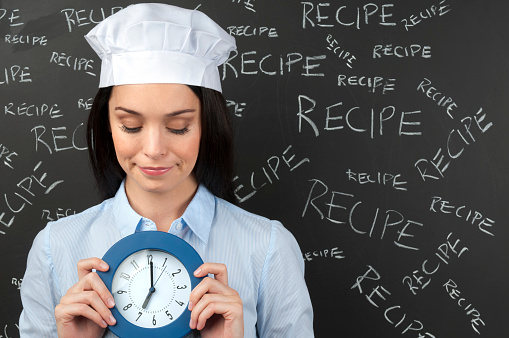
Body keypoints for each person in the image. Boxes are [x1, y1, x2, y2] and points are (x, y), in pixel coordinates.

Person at [19, 3, 314, 337]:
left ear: (207, 126)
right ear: (107, 127)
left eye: (178, 127)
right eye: (131, 126)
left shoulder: (268, 248)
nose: (154, 149)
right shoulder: (54, 250)